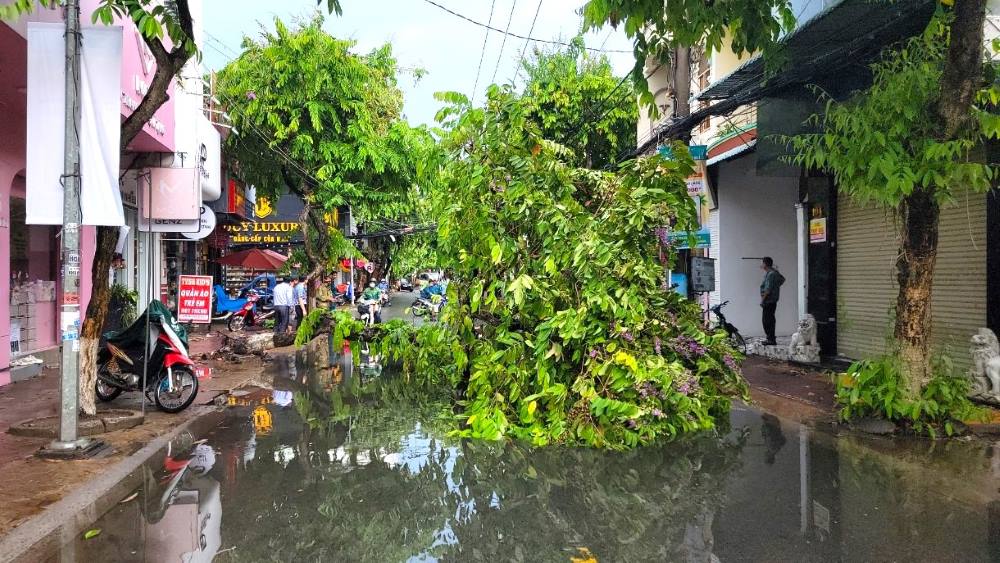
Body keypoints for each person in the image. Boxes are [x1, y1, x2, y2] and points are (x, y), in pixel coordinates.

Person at [759, 256, 786, 346]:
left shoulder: (771, 274)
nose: (761, 265)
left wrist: (762, 300)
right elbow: (782, 280)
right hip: (772, 300)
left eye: (762, 263)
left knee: (767, 321)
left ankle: (770, 339)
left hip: (768, 300)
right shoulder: (773, 273)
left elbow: (768, 289)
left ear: (765, 264)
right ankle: (771, 338)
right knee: (770, 319)